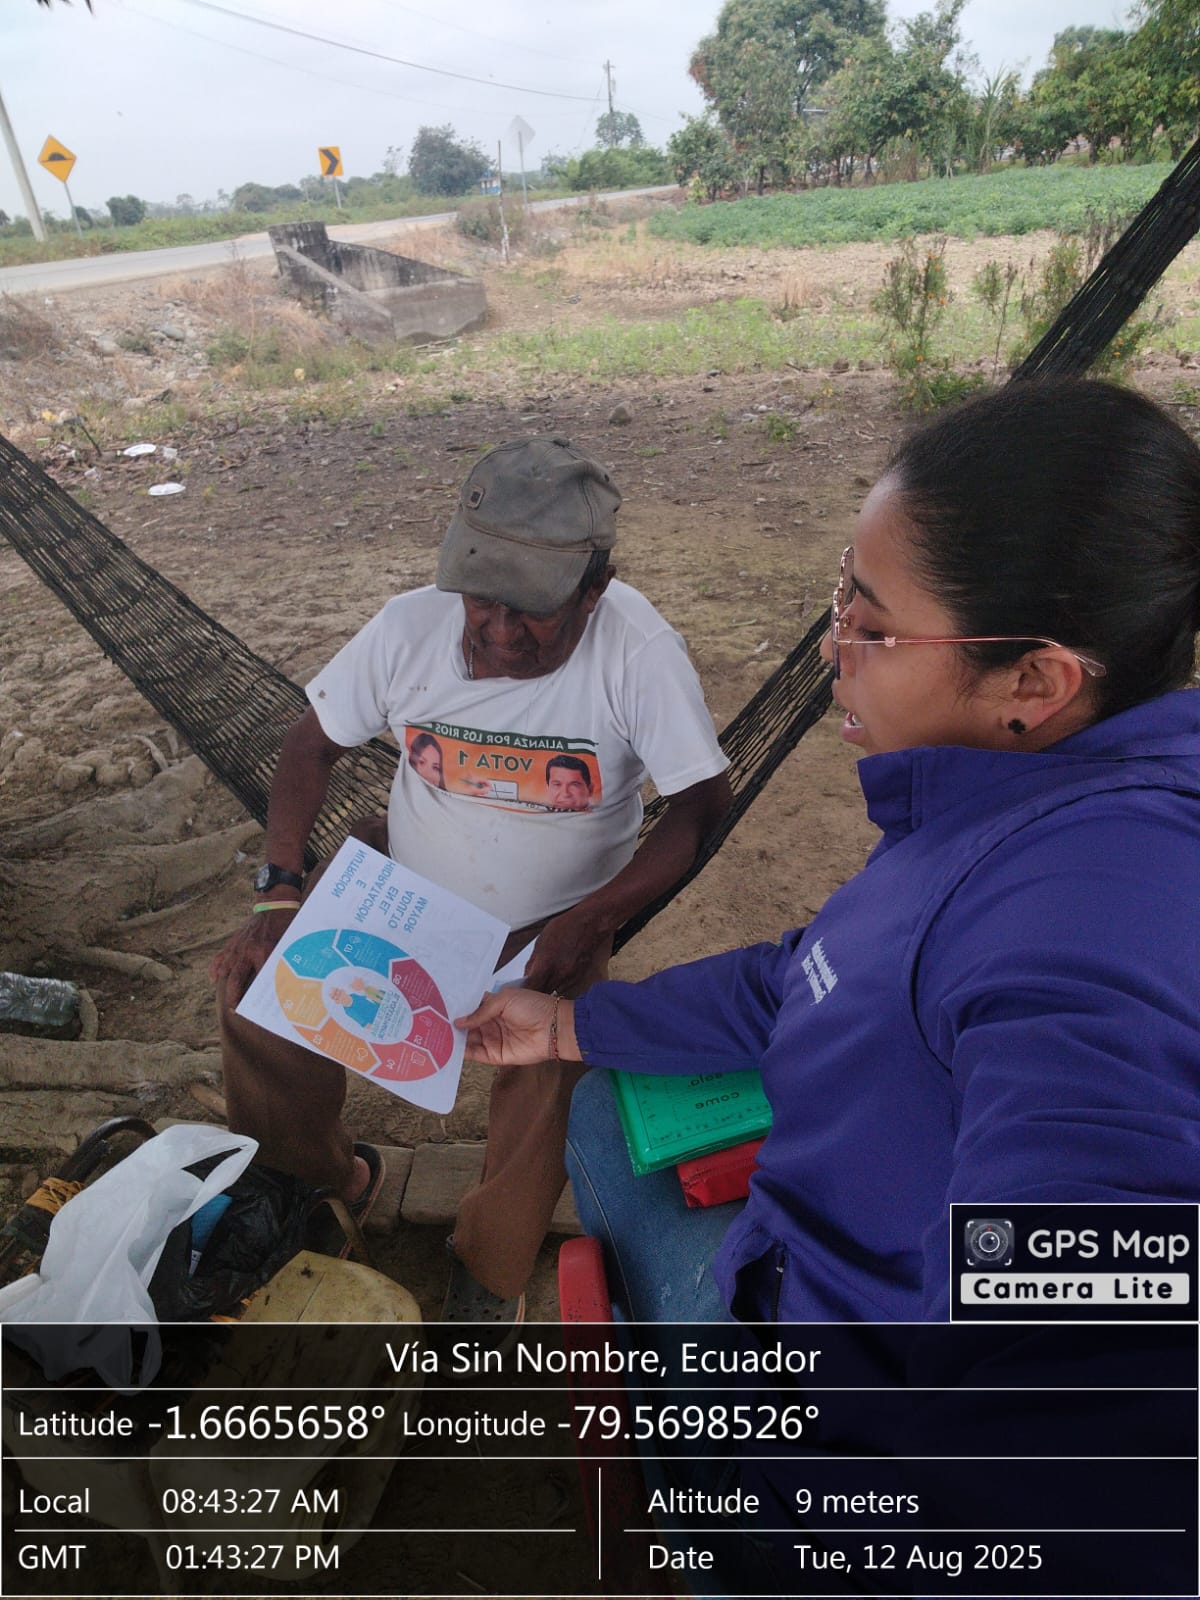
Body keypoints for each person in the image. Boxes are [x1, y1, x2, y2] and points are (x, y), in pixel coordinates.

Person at [460, 379, 1200, 1325]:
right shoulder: (1009, 798)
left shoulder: (1088, 940)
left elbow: (1084, 1354)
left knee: (606, 1147)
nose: (832, 648)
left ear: (1032, 679)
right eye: (845, 594)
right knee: (602, 1110)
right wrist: (567, 1027)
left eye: (874, 629)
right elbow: (814, 975)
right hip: (815, 1231)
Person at [212, 436, 731, 1320]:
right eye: (481, 597)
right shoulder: (408, 628)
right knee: (255, 984)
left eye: (532, 609)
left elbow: (701, 805)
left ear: (594, 589)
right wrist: (279, 891)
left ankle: (489, 1272)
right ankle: (325, 1186)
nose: (498, 628)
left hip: (553, 920)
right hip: (399, 885)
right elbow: (309, 746)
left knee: (552, 1063)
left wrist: (594, 917)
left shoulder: (635, 650)